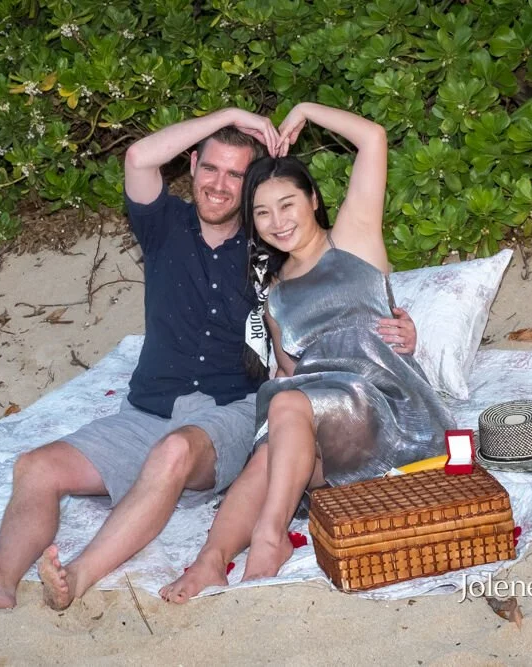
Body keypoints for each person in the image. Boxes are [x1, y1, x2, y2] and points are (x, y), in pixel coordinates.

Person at [0, 108, 418, 610]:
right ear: (189, 165)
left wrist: (399, 330)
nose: (218, 183)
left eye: (236, 176)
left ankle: (78, 575)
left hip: (226, 411)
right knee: (36, 466)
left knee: (174, 452)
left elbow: (330, 312)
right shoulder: (164, 224)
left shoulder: (267, 252)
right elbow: (140, 158)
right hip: (148, 408)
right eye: (208, 166)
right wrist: (227, 116)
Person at [160, 103, 456, 603]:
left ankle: (269, 538)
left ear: (313, 200)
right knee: (273, 440)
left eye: (287, 204)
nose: (277, 221)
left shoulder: (354, 241)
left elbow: (374, 137)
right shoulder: (275, 295)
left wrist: (304, 111)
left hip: (390, 413)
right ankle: (210, 561)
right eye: (262, 212)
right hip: (330, 436)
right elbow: (294, 372)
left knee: (285, 403)